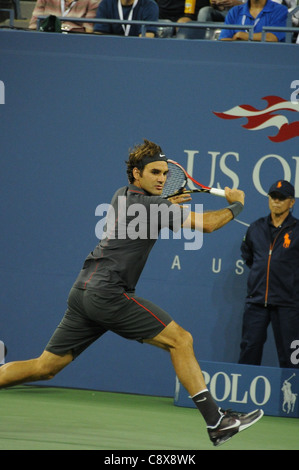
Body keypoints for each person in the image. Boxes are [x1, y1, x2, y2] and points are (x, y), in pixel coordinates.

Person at [0, 139, 263, 447]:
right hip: (108, 293)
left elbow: (149, 217)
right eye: (154, 172)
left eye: (165, 173)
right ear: (137, 174)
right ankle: (217, 421)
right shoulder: (155, 205)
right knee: (181, 340)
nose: (162, 179)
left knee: (45, 368)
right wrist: (236, 204)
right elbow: (207, 225)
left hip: (83, 290)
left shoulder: (122, 195)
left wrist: (168, 206)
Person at [239, 180, 299, 369]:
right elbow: (249, 257)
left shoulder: (297, 230)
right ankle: (245, 393)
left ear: (292, 202)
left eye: (282, 198)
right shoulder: (256, 228)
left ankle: (293, 397)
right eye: (273, 197)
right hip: (257, 301)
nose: (276, 201)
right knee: (249, 350)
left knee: (292, 356)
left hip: (287, 303)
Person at [218, 0, 288, 41]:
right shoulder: (234, 11)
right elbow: (224, 39)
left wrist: (244, 35)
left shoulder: (280, 10)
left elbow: (273, 38)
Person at [93, 0, 158, 37]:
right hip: (112, 50)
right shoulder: (105, 4)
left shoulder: (149, 5)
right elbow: (100, 35)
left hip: (138, 52)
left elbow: (147, 37)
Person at [29, 0, 99, 33]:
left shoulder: (93, 2)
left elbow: (89, 32)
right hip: (46, 39)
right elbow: (33, 26)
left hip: (75, 42)